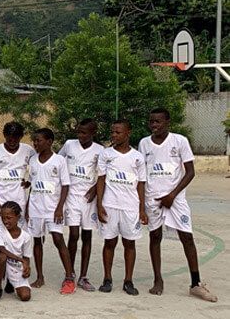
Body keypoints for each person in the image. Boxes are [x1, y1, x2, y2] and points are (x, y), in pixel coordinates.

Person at [140, 108, 217, 301]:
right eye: (151, 121)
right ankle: (158, 280)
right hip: (153, 198)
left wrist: (172, 195)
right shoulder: (144, 143)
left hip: (176, 198)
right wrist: (141, 204)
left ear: (168, 122)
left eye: (158, 121)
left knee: (187, 237)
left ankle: (196, 283)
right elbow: (142, 174)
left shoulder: (180, 141)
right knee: (155, 237)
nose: (154, 125)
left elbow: (190, 172)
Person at [95, 119, 146, 296]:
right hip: (110, 205)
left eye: (118, 132)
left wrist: (142, 209)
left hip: (130, 207)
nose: (114, 135)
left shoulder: (137, 157)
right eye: (112, 132)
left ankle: (128, 280)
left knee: (129, 243)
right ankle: (107, 279)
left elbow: (141, 184)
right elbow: (101, 179)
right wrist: (99, 205)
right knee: (109, 242)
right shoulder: (106, 154)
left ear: (128, 133)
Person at [26, 128, 76, 293]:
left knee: (58, 239)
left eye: (39, 140)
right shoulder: (33, 160)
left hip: (52, 209)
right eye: (34, 140)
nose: (35, 143)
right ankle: (40, 277)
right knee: (37, 241)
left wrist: (59, 208)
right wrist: (27, 208)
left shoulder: (59, 160)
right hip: (35, 208)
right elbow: (32, 185)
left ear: (49, 142)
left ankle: (69, 277)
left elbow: (65, 185)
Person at [58, 118, 103, 292]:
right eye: (78, 132)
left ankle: (83, 276)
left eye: (84, 133)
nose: (80, 135)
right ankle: (69, 274)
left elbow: (103, 174)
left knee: (87, 236)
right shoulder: (69, 145)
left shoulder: (100, 150)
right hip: (71, 196)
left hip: (88, 199)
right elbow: (58, 162)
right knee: (73, 234)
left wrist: (95, 189)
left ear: (93, 133)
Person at [0, 122, 35, 235]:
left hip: (20, 200)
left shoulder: (28, 150)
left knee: (20, 234)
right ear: (4, 135)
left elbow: (38, 166)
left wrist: (29, 181)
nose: (12, 141)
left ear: (21, 137)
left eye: (16, 138)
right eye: (9, 138)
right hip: (1, 200)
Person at [0, 201, 33, 303]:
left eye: (9, 218)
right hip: (2, 263)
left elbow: (26, 257)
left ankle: (10, 282)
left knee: (25, 296)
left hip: (16, 266)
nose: (5, 221)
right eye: (3, 218)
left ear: (18, 217)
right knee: (2, 256)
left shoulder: (26, 236)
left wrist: (26, 267)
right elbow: (1, 249)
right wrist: (20, 259)